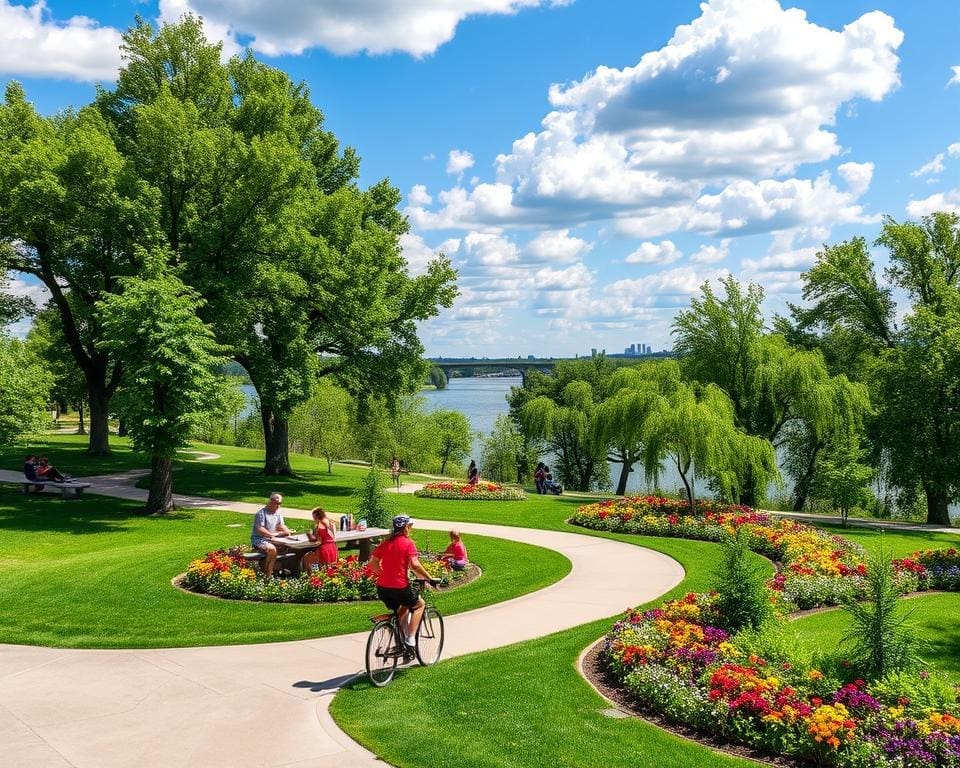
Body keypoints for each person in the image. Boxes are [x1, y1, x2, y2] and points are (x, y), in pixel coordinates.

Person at [371, 515, 437, 650]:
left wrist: (384, 575)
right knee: (419, 605)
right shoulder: (408, 544)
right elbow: (415, 565)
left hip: (382, 588)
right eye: (410, 527)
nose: (411, 529)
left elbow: (373, 564)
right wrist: (429, 578)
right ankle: (410, 638)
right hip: (400, 586)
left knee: (403, 608)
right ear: (406, 527)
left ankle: (400, 642)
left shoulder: (386, 543)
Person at [250, 492, 292, 578]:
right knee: (272, 549)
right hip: (260, 539)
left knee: (291, 547)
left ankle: (284, 571)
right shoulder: (261, 513)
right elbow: (260, 529)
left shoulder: (278, 514)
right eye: (276, 503)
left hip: (274, 539)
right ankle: (268, 575)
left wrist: (287, 531)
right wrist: (272, 535)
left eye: (280, 503)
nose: (278, 506)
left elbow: (281, 526)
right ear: (270, 501)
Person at [302, 507, 338, 571]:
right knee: (330, 568)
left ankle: (314, 574)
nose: (314, 520)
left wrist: (310, 538)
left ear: (317, 517)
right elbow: (331, 537)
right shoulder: (331, 522)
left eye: (314, 518)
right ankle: (321, 575)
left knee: (307, 558)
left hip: (324, 549)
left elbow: (319, 542)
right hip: (333, 548)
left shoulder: (321, 524)